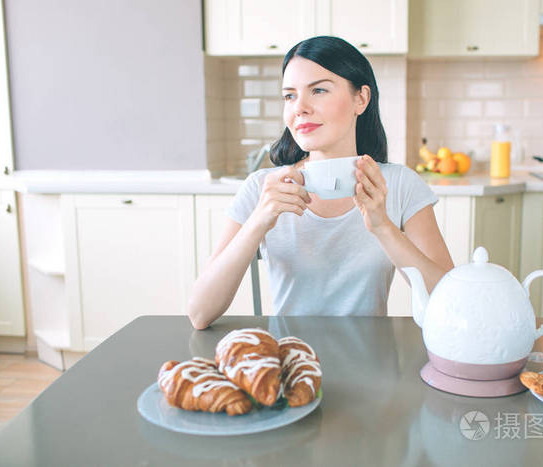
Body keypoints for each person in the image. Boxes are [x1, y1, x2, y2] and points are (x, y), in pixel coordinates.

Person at [188, 36, 453, 329]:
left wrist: (383, 228)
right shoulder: (262, 187)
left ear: (361, 99)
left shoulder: (399, 185)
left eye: (318, 90)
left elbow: (450, 304)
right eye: (289, 95)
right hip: (288, 361)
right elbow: (199, 314)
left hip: (370, 363)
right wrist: (259, 221)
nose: (300, 107)